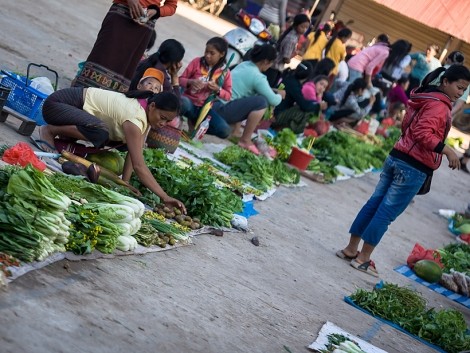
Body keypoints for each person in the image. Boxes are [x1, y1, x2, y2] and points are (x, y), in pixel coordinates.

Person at [336, 65, 470, 277]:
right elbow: (422, 134)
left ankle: (350, 249)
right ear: (445, 82)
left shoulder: (423, 97)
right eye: (459, 87)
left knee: (374, 204)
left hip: (396, 157)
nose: (460, 93)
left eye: (464, 90)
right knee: (385, 212)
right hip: (413, 166)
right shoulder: (439, 106)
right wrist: (448, 150)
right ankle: (363, 259)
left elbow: (408, 126)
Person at [39, 87, 186, 212]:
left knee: (123, 142)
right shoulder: (135, 117)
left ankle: (66, 141)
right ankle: (50, 131)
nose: (162, 123)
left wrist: (125, 184)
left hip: (70, 111)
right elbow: (139, 165)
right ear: (152, 106)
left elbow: (134, 153)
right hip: (56, 106)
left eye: (167, 121)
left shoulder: (144, 113)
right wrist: (164, 196)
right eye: (162, 117)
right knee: (100, 133)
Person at [71, 0, 177, 92]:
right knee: (101, 57)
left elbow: (171, 6)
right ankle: (78, 96)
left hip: (143, 26)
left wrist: (156, 11)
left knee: (124, 68)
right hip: (120, 15)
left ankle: (103, 106)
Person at [213, 44, 285, 154]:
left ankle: (235, 132)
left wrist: (274, 91)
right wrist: (280, 94)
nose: (270, 66)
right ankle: (245, 140)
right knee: (261, 102)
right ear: (266, 61)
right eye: (271, 63)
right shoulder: (257, 76)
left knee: (250, 98)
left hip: (214, 103)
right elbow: (274, 100)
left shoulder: (244, 64)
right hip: (221, 109)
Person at [179, 37, 232, 138]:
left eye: (212, 53)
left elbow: (228, 95)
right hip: (189, 102)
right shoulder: (197, 62)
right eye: (206, 51)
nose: (207, 56)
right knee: (183, 102)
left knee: (224, 130)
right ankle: (175, 122)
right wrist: (191, 82)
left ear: (222, 54)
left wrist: (217, 89)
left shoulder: (225, 72)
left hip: (205, 108)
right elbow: (180, 79)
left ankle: (196, 128)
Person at [271, 62, 323, 133]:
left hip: (274, 108)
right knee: (302, 111)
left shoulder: (289, 77)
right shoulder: (294, 86)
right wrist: (319, 106)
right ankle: (292, 130)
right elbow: (305, 106)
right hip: (275, 114)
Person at [265, 14, 310, 87]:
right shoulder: (292, 39)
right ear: (296, 25)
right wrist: (293, 56)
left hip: (273, 65)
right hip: (275, 67)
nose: (304, 30)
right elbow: (286, 58)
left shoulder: (291, 34)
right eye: (302, 27)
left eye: (306, 28)